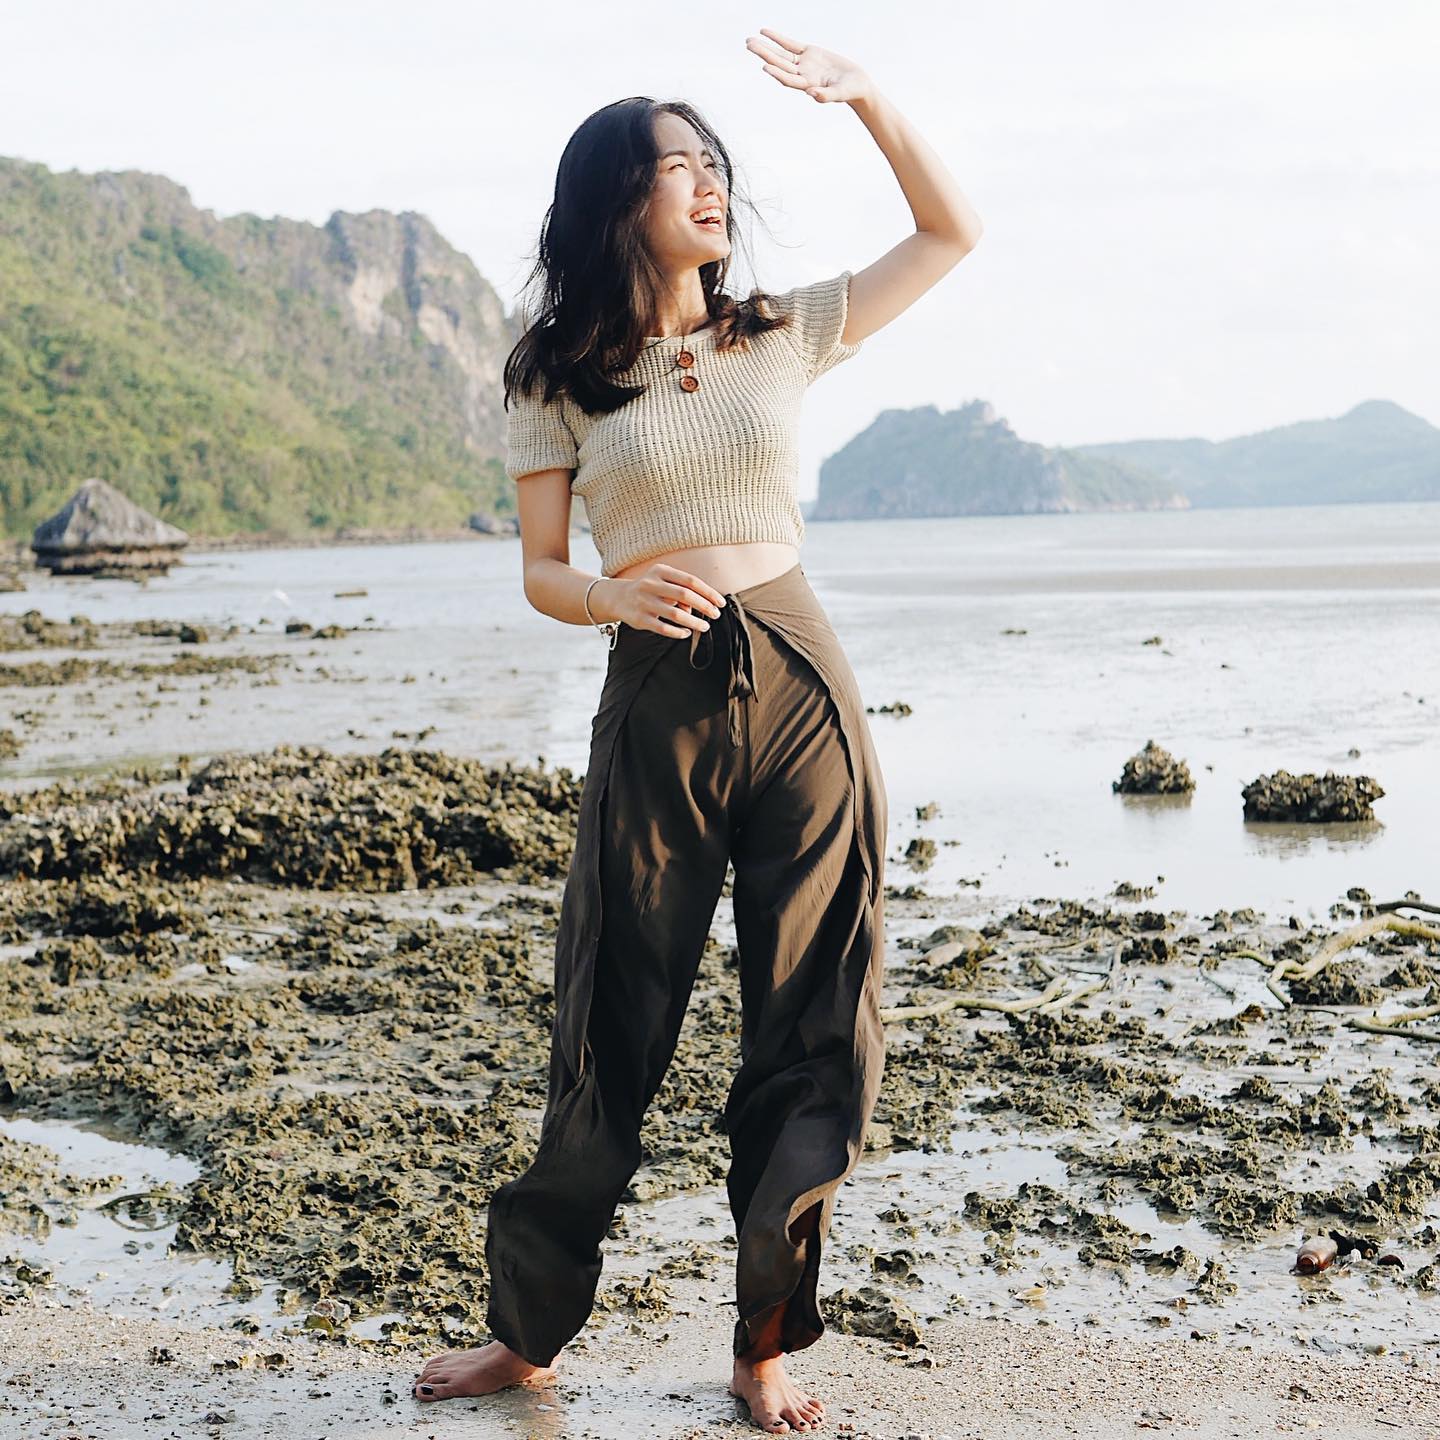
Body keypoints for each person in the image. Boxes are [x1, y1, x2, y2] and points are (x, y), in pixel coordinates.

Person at [414, 26, 982, 1434]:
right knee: (611, 1009)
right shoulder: (555, 374)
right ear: (618, 199)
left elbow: (950, 233)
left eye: (715, 162)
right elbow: (542, 570)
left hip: (801, 682)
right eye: (678, 166)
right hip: (656, 695)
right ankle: (527, 1332)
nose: (710, 183)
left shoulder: (779, 330)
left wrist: (870, 98)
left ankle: (765, 1343)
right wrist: (611, 594)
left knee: (818, 1015)